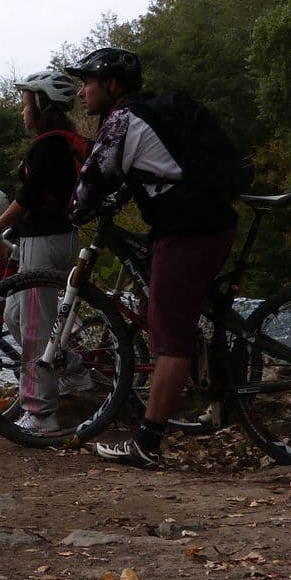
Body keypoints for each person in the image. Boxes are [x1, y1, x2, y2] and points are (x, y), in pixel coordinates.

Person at [66, 47, 238, 469]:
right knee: (168, 312)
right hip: (202, 223)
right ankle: (222, 400)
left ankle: (148, 443)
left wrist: (72, 210)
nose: (82, 92)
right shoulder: (144, 115)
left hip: (190, 231)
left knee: (170, 339)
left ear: (112, 84)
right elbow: (144, 171)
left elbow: (91, 180)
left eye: (87, 82)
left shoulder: (123, 120)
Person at [0, 69, 90, 433]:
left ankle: (41, 413)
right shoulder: (63, 141)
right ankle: (73, 369)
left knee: (36, 327)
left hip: (45, 239)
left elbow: (28, 197)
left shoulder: (49, 144)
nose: (22, 112)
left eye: (25, 104)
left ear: (41, 105)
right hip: (55, 238)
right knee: (14, 316)